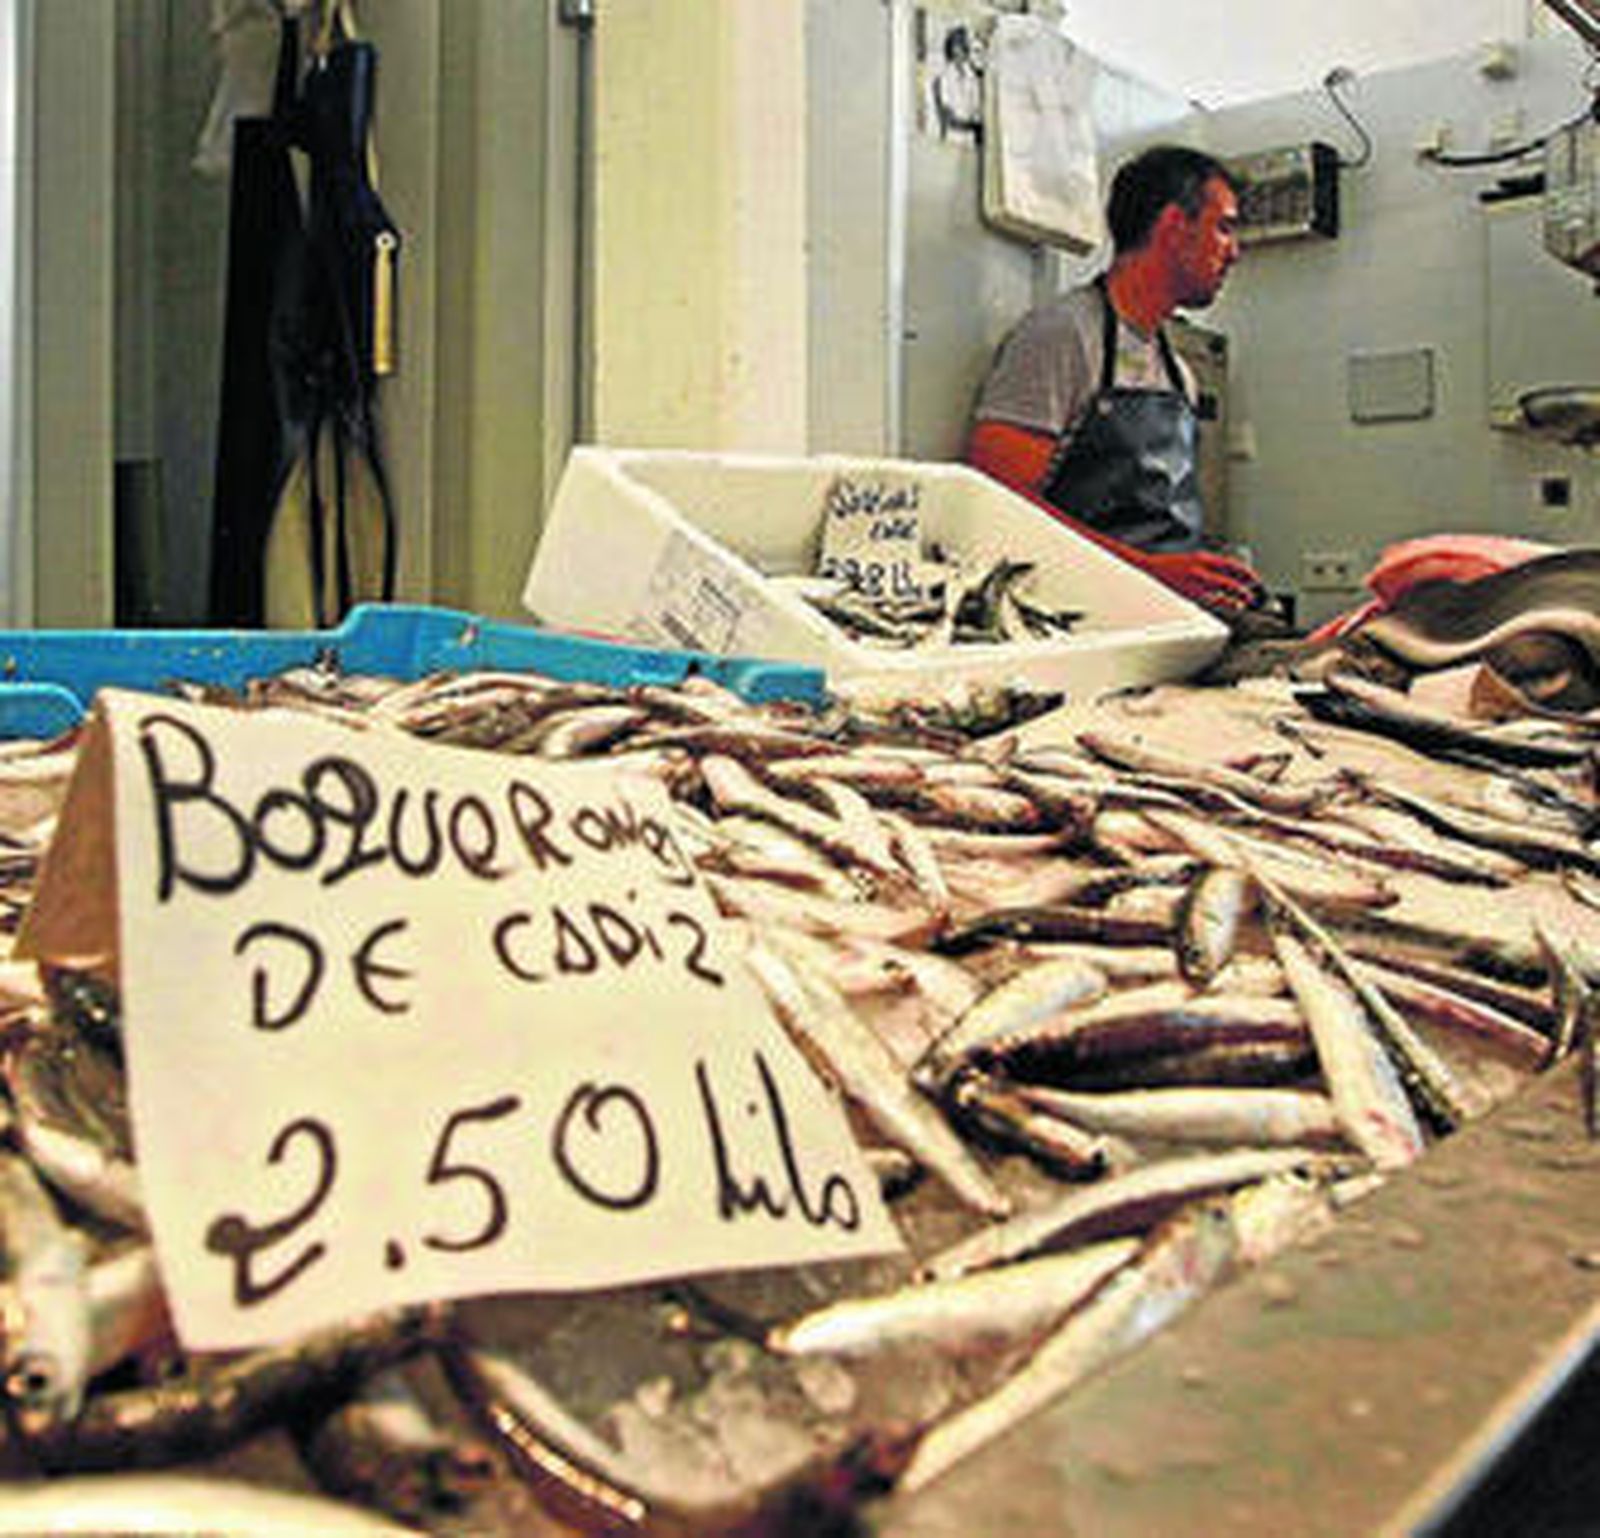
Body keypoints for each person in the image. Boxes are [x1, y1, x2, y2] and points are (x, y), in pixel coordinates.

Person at [965, 144, 1266, 614]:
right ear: (1174, 227)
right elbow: (998, 504)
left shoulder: (1179, 374)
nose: (1235, 253)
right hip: (1083, 615)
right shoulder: (1062, 337)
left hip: (1169, 613)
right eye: (1224, 228)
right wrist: (1149, 573)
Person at [930, 25, 983, 142]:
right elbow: (949, 117)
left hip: (971, 139)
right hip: (953, 137)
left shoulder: (972, 77)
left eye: (963, 46)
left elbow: (977, 109)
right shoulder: (944, 78)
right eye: (957, 46)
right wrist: (972, 124)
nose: (960, 51)